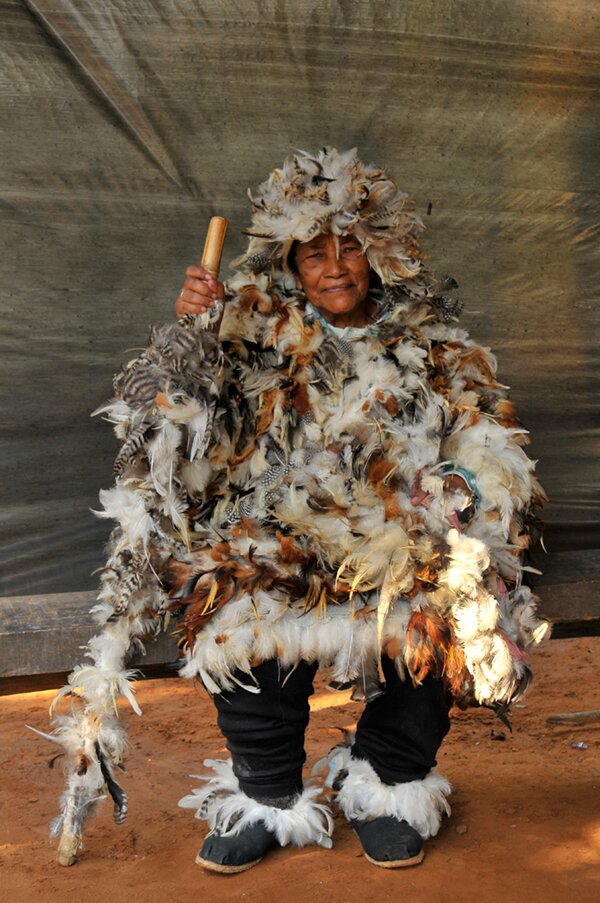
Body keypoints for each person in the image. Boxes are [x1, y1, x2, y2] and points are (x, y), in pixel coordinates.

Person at [48, 148, 549, 872]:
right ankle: (268, 795)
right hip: (278, 524)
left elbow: (484, 428)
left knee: (450, 603)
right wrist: (191, 341)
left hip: (401, 528)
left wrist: (464, 496)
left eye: (352, 249)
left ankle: (387, 781)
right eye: (316, 253)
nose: (336, 267)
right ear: (291, 259)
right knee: (232, 593)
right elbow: (188, 436)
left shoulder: (432, 339)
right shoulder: (246, 329)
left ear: (380, 254)